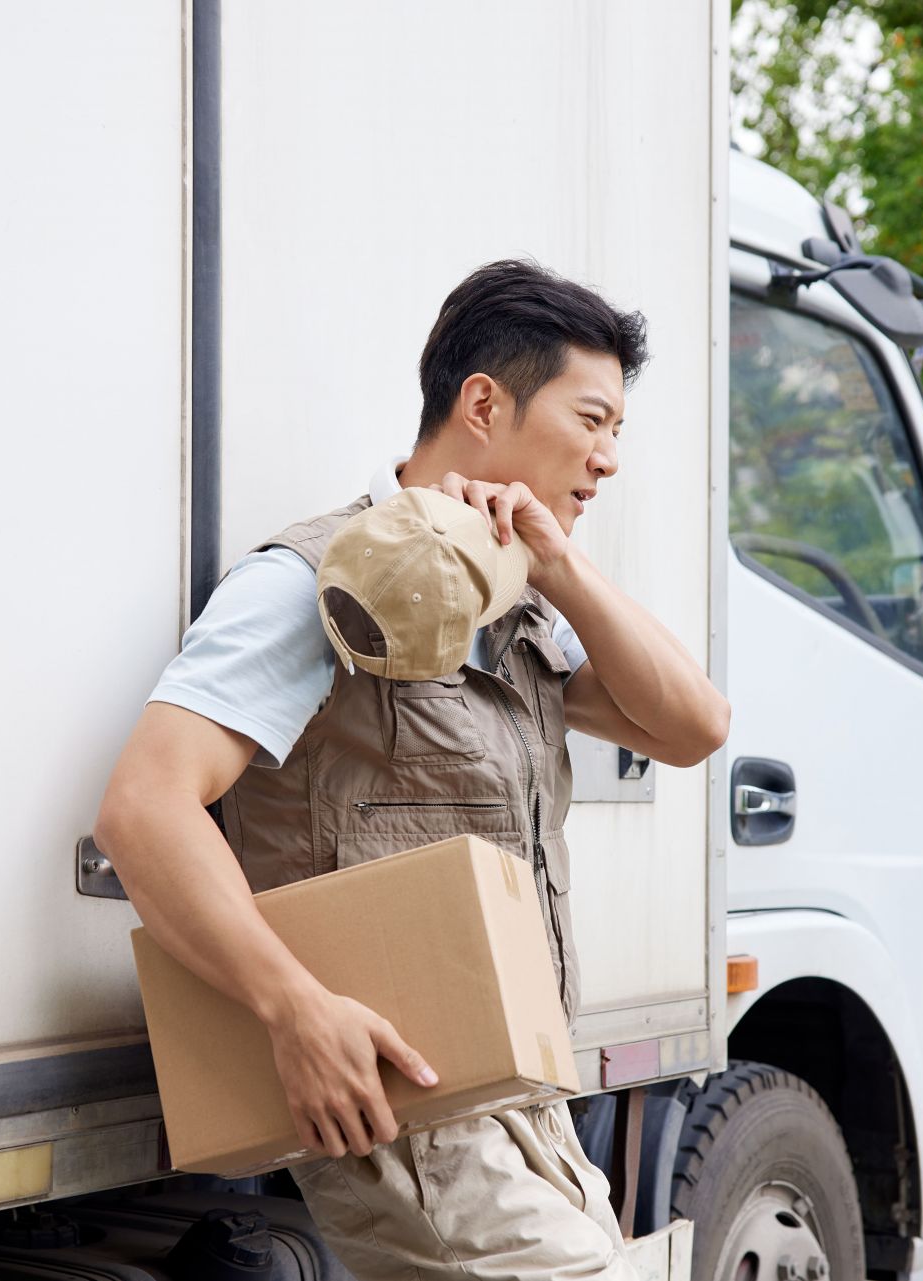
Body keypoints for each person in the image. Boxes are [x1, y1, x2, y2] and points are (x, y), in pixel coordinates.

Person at [95, 259, 730, 1279]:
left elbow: (693, 724)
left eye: (619, 433)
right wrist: (295, 1009)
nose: (609, 459)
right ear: (485, 401)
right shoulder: (321, 579)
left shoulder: (515, 603)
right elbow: (144, 808)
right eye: (592, 419)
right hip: (406, 1113)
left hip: (524, 1102)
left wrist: (554, 563)